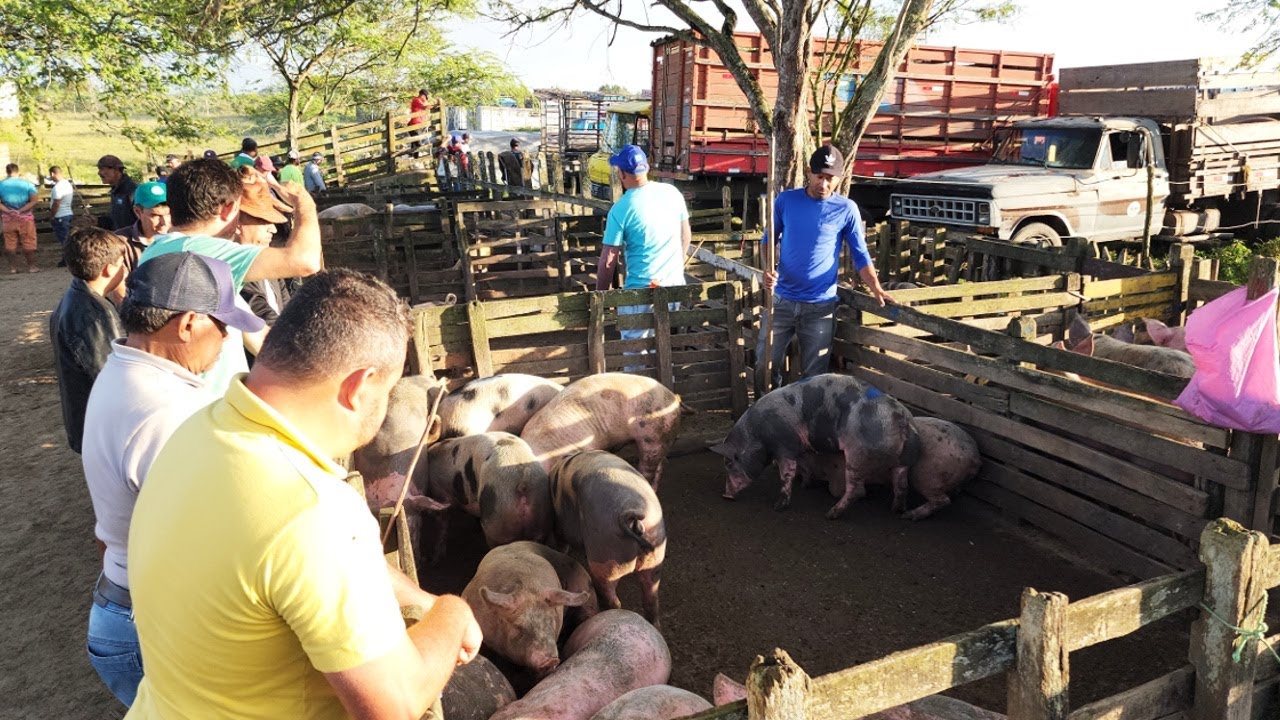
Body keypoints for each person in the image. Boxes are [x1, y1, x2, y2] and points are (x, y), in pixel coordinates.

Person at [127, 269, 482, 719]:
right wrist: (451, 612)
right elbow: (395, 704)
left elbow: (282, 572)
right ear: (359, 386)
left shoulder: (199, 430)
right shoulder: (314, 511)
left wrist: (417, 600)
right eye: (389, 390)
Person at [79, 251, 263, 707]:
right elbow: (215, 537)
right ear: (187, 325)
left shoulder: (123, 371)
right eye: (222, 327)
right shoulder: (166, 411)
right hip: (147, 621)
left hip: (122, 599)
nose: (225, 341)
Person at [140, 158, 322, 395]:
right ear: (228, 208)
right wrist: (305, 204)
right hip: (202, 406)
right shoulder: (200, 252)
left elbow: (254, 333)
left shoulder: (160, 249)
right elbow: (305, 261)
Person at [758, 144, 892, 387]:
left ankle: (807, 422)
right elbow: (768, 240)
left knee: (814, 376)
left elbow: (860, 254)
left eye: (830, 179)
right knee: (764, 365)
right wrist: (768, 269)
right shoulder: (786, 201)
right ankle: (766, 415)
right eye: (819, 176)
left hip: (820, 306)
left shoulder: (846, 209)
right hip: (781, 301)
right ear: (809, 172)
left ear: (838, 179)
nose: (824, 184)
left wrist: (876, 288)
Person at [49, 228, 129, 453]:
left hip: (86, 419)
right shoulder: (93, 316)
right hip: (100, 428)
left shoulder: (72, 298)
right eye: (122, 262)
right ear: (108, 269)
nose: (125, 268)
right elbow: (107, 373)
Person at [595, 144, 690, 328]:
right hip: (674, 287)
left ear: (621, 173)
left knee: (636, 352)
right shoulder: (672, 193)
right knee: (668, 345)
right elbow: (685, 235)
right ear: (646, 167)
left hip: (641, 292)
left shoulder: (620, 208)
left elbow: (609, 259)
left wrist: (600, 296)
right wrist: (676, 266)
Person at [235, 170, 294, 325]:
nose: (273, 229)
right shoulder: (234, 267)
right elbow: (261, 312)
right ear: (237, 224)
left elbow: (288, 308)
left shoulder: (265, 260)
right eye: (263, 221)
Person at [117, 181, 172, 272]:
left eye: (169, 214)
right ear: (138, 212)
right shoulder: (120, 243)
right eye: (155, 215)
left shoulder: (182, 237)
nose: (165, 222)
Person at [1, 163, 40, 273]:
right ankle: (31, 266)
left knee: (9, 243)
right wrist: (21, 210)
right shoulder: (27, 184)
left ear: (7, 172)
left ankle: (13, 268)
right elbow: (34, 201)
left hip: (8, 218)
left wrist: (7, 210)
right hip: (25, 217)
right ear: (18, 171)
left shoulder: (1, 185)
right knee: (28, 241)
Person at [97, 155, 138, 231]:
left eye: (102, 169)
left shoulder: (131, 190)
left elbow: (142, 219)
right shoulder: (115, 191)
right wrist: (97, 221)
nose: (99, 173)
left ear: (116, 170)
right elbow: (116, 221)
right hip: (120, 239)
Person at [49, 165, 75, 251]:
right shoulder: (67, 184)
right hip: (68, 213)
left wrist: (52, 215)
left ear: (52, 174)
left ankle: (66, 257)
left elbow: (57, 202)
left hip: (60, 215)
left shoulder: (58, 187)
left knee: (63, 238)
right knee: (69, 237)